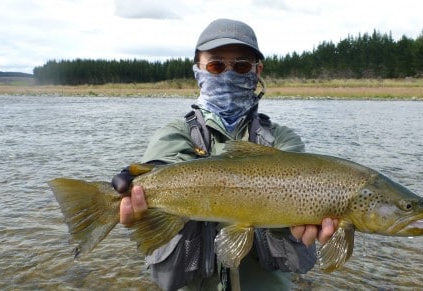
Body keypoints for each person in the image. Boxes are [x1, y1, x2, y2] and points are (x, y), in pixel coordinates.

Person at [112, 18, 337, 291]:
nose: (228, 74)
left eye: (241, 66)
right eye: (216, 65)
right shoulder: (175, 133)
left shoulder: (282, 140)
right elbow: (165, 165)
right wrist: (141, 182)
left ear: (257, 71)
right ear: (198, 70)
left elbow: (300, 188)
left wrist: (297, 218)